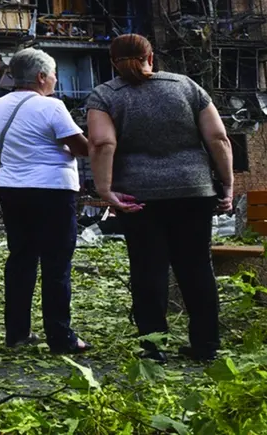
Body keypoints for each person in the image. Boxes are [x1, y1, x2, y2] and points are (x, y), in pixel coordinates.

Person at [86, 34, 233, 363]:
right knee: (196, 267)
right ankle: (206, 346)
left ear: (113, 62)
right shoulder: (186, 86)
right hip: (193, 191)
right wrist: (227, 184)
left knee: (147, 269)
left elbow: (101, 143)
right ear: (151, 56)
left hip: (138, 197)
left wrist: (105, 189)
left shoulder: (105, 95)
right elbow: (218, 137)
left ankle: (153, 349)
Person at [0, 49, 90, 354]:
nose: (56, 79)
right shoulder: (52, 107)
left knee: (20, 261)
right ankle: (61, 337)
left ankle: (17, 334)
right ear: (42, 76)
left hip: (13, 191)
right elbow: (81, 148)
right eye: (54, 73)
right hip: (53, 191)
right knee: (56, 264)